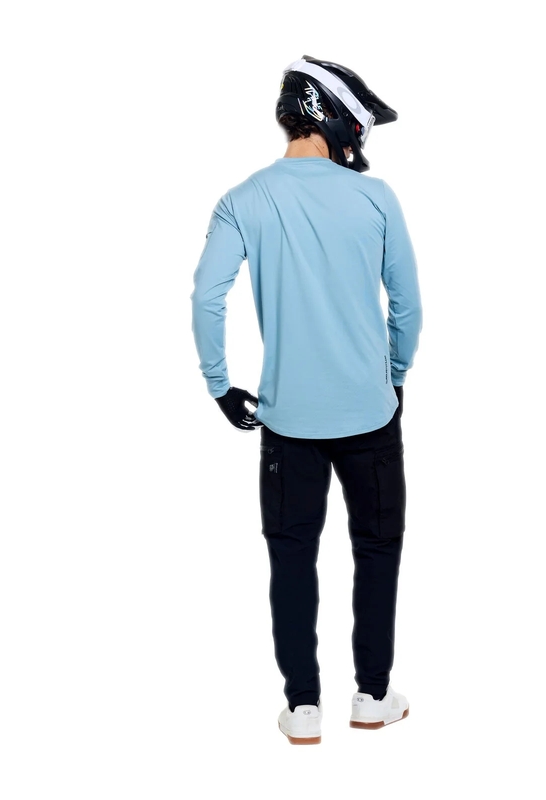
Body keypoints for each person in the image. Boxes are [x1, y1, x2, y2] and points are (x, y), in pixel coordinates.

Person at [190, 55, 422, 745]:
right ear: (337, 120)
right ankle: (373, 696)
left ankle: (303, 709)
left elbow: (206, 297)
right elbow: (407, 305)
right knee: (377, 549)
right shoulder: (377, 198)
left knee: (291, 558)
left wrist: (220, 385)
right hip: (370, 414)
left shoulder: (243, 199)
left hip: (286, 421)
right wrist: (395, 374)